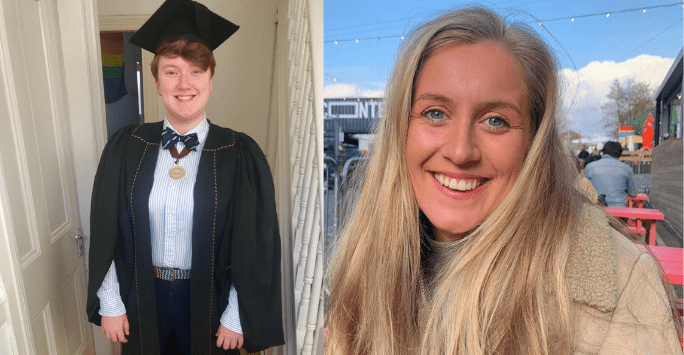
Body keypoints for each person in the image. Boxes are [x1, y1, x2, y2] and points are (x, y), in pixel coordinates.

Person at [325, 7, 680, 355]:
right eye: (435, 113)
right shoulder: (361, 261)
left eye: (495, 120)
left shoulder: (620, 282)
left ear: (534, 144)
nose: (461, 151)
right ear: (400, 129)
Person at [86, 1, 284, 354]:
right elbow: (105, 230)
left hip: (211, 298)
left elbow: (254, 243)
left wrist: (237, 315)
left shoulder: (238, 153)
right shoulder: (127, 147)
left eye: (195, 71)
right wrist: (111, 302)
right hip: (141, 294)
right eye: (171, 71)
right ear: (157, 81)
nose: (184, 83)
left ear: (210, 81)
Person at [585, 141, 638, 207]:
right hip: (620, 211)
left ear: (603, 152)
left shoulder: (590, 167)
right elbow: (633, 193)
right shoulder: (626, 168)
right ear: (619, 153)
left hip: (596, 210)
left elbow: (584, 190)